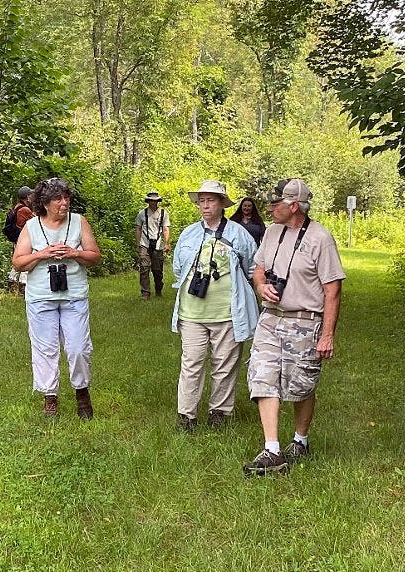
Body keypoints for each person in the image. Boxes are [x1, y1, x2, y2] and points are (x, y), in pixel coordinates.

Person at [243, 179, 345, 476]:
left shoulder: (320, 238)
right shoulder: (271, 232)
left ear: (294, 206)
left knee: (300, 386)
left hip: (305, 321)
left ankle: (300, 440)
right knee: (262, 376)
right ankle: (271, 449)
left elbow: (333, 290)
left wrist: (327, 335)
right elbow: (259, 268)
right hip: (271, 318)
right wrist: (261, 286)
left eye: (276, 203)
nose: (270, 208)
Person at [171, 180, 259, 430]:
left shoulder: (239, 234)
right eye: (202, 200)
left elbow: (251, 268)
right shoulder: (188, 233)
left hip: (228, 313)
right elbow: (178, 268)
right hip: (192, 313)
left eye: (211, 200)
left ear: (222, 203)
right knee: (191, 363)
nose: (205, 205)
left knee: (224, 365)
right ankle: (186, 415)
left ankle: (219, 412)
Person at [12, 177, 102, 419]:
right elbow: (18, 262)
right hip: (41, 296)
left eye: (66, 197)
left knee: (78, 347)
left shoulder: (78, 222)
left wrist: (74, 253)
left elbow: (94, 256)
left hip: (74, 295)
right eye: (58, 199)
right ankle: (49, 397)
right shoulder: (32, 226)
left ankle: (82, 393)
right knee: (45, 348)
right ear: (45, 203)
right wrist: (42, 254)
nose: (64, 203)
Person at [135, 191, 171, 300]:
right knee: (144, 268)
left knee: (157, 270)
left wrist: (167, 243)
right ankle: (145, 293)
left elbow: (166, 229)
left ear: (158, 201)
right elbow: (138, 228)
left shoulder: (164, 213)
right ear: (148, 201)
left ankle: (158, 290)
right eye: (151, 200)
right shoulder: (142, 213)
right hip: (144, 244)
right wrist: (138, 243)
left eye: (155, 201)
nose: (153, 203)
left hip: (158, 244)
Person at [7, 186, 35, 293]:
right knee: (26, 261)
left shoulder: (17, 207)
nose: (32, 197)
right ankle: (23, 287)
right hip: (23, 240)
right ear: (27, 197)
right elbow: (36, 221)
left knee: (17, 261)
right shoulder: (25, 209)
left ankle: (11, 283)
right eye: (30, 195)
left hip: (17, 239)